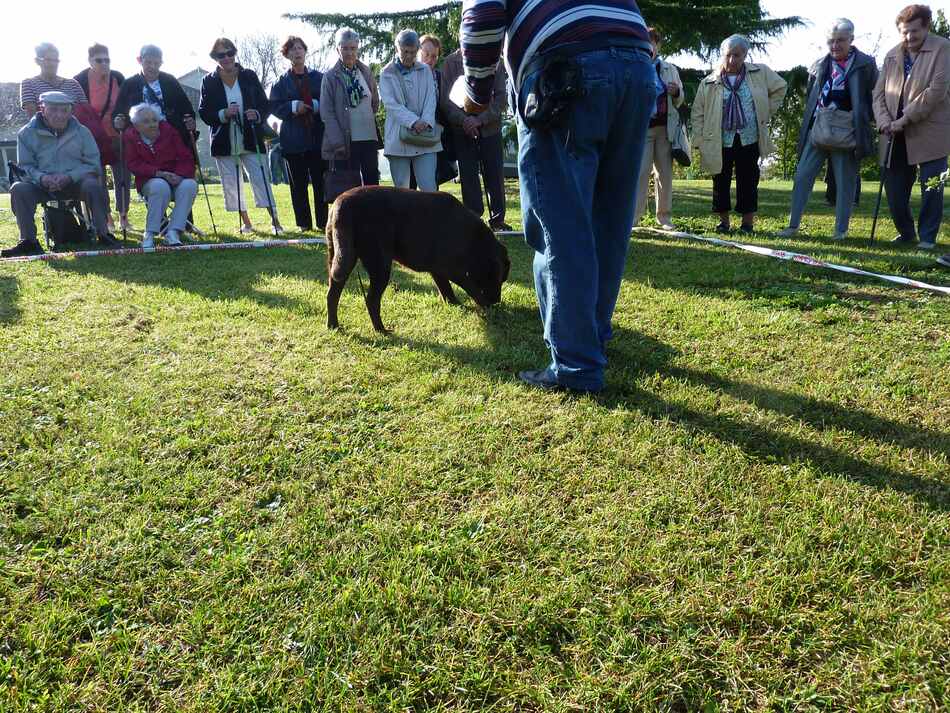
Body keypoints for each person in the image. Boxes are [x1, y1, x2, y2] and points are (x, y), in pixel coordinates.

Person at [461, 0, 655, 393]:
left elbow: (481, 16)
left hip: (565, 68)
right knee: (610, 217)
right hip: (636, 61)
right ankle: (592, 336)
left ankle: (576, 365)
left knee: (559, 223)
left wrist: (477, 94)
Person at [778, 19, 878, 240]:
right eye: (831, 41)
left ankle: (840, 231)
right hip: (819, 127)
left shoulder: (866, 64)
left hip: (847, 131)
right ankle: (792, 226)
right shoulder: (819, 64)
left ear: (851, 39)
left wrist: (863, 120)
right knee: (802, 176)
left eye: (840, 40)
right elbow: (811, 98)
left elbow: (875, 96)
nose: (835, 46)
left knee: (845, 182)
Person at [2, 91, 117, 258]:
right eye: (53, 110)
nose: (60, 115)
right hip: (41, 185)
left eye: (64, 110)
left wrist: (69, 176)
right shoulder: (26, 133)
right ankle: (28, 241)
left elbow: (93, 164)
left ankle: (104, 234)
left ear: (71, 111)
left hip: (76, 183)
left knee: (93, 185)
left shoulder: (83, 132)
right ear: (42, 109)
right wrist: (43, 178)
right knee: (18, 188)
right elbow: (26, 167)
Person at [691, 35, 787, 234]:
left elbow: (780, 87)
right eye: (728, 55)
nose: (732, 60)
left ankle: (747, 224)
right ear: (722, 55)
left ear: (745, 55)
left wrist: (765, 110)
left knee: (749, 180)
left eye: (737, 55)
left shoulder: (760, 72)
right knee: (720, 180)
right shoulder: (709, 82)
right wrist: (699, 140)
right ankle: (723, 223)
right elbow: (697, 112)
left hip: (749, 137)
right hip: (719, 140)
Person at [873, 4, 950, 250]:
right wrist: (884, 120)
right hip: (892, 132)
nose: (909, 37)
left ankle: (927, 237)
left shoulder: (944, 49)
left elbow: (936, 92)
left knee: (932, 187)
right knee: (894, 189)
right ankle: (906, 233)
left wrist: (903, 120)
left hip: (932, 131)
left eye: (914, 31)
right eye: (904, 32)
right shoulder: (891, 54)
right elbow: (878, 93)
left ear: (927, 27)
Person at [199, 37, 282, 234]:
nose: (226, 57)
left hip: (251, 136)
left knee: (261, 178)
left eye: (229, 53)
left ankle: (275, 222)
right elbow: (204, 111)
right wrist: (223, 114)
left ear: (234, 53)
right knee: (231, 182)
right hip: (223, 140)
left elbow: (265, 104)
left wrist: (257, 114)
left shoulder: (249, 75)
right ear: (215, 57)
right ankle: (246, 222)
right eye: (221, 55)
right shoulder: (208, 81)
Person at [441, 34, 511, 230]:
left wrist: (479, 120)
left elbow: (500, 98)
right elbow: (445, 101)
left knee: (495, 175)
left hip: (490, 129)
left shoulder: (496, 61)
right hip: (461, 130)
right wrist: (465, 121)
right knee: (469, 176)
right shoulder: (450, 63)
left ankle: (498, 220)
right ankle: (473, 220)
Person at [270, 36, 328, 231]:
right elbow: (275, 107)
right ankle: (304, 224)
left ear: (305, 50)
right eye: (292, 49)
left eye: (300, 48)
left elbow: (329, 101)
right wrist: (294, 107)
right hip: (293, 142)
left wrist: (314, 106)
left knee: (321, 184)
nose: (297, 52)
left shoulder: (319, 78)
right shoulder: (281, 82)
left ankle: (323, 222)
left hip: (318, 139)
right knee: (298, 186)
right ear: (287, 55)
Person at [74, 43, 130, 234]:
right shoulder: (79, 81)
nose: (104, 63)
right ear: (90, 61)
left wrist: (124, 121)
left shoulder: (118, 77)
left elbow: (127, 104)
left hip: (117, 136)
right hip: (92, 139)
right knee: (98, 179)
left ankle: (124, 215)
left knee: (122, 177)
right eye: (99, 60)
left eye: (107, 59)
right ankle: (106, 218)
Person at [123, 103, 197, 248]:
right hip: (149, 180)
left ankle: (173, 232)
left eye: (154, 120)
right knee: (160, 186)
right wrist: (158, 173)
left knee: (190, 185)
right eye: (146, 121)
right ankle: (149, 234)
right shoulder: (130, 137)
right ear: (136, 125)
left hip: (175, 178)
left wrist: (180, 176)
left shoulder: (169, 131)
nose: (152, 125)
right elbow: (133, 164)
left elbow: (186, 157)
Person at [633, 27, 685, 231]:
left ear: (658, 46)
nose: (650, 47)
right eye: (645, 43)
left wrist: (676, 92)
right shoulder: (635, 66)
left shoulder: (670, 69)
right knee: (640, 174)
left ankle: (664, 219)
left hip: (665, 129)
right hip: (643, 129)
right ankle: (634, 219)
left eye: (653, 43)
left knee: (664, 175)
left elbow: (680, 100)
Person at [380, 30, 441, 192]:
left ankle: (430, 218)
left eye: (413, 52)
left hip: (425, 137)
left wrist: (425, 121)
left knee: (429, 189)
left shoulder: (425, 70)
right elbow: (391, 104)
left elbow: (431, 99)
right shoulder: (387, 72)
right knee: (402, 191)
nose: (409, 56)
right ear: (397, 48)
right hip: (398, 139)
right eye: (405, 51)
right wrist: (413, 121)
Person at [320, 28, 381, 187]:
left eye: (353, 48)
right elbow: (327, 113)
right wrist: (338, 143)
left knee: (372, 187)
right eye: (345, 48)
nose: (349, 52)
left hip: (369, 138)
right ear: (337, 49)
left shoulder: (366, 71)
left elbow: (375, 102)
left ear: (357, 48)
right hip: (346, 143)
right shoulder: (330, 77)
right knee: (351, 190)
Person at [113, 45, 197, 147]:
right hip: (141, 143)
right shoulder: (129, 84)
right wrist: (119, 122)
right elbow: (119, 112)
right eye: (148, 62)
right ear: (140, 60)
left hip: (171, 138)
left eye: (157, 63)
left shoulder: (170, 81)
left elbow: (186, 108)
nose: (153, 67)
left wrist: (190, 121)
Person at [413, 33, 457, 189]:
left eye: (434, 56)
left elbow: (446, 106)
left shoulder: (440, 77)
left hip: (434, 138)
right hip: (410, 136)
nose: (430, 60)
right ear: (418, 52)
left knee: (431, 185)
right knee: (408, 188)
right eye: (426, 54)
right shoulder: (406, 75)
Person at [20, 43, 87, 117]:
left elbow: (86, 111)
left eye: (56, 60)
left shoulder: (73, 84)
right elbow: (33, 117)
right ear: (37, 61)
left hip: (76, 127)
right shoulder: (29, 84)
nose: (53, 64)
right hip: (42, 128)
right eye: (48, 60)